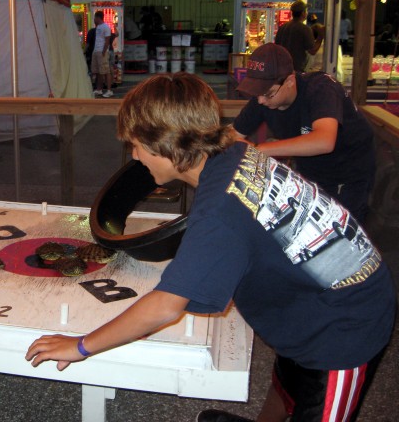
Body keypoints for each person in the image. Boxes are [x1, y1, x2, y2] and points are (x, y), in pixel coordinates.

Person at [25, 72, 396, 422]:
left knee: (313, 387)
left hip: (345, 325)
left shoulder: (221, 210)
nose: (135, 157)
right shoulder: (234, 151)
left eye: (136, 147)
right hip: (304, 303)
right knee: (287, 384)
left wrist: (81, 346)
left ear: (166, 145)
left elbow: (165, 307)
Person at [233, 43, 375, 222]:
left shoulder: (321, 88)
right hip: (312, 170)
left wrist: (260, 149)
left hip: (348, 172)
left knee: (341, 232)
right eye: (257, 94)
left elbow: (324, 141)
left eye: (268, 93)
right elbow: (232, 136)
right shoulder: (262, 98)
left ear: (290, 81)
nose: (260, 100)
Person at [275, 0, 322, 72]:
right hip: (296, 70)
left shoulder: (283, 27)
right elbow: (312, 51)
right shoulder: (305, 29)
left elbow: (276, 47)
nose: (307, 13)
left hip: (281, 68)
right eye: (306, 11)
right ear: (303, 13)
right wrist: (320, 36)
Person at [91, 11, 113, 98]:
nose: (94, 19)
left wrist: (104, 51)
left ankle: (109, 90)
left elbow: (107, 40)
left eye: (95, 17)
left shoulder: (106, 27)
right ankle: (99, 89)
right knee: (98, 71)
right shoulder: (98, 27)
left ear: (98, 17)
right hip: (96, 51)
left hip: (101, 52)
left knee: (106, 71)